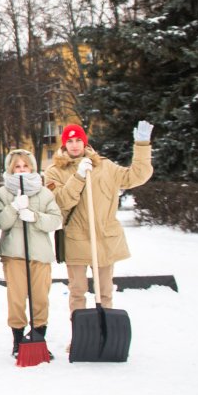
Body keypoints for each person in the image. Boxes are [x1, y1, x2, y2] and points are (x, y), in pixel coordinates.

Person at [43, 122, 154, 331]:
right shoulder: (54, 172)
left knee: (104, 292)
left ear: (85, 143)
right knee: (77, 292)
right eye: (70, 141)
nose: (75, 145)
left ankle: (105, 332)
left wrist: (142, 145)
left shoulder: (104, 166)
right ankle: (82, 334)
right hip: (75, 239)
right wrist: (78, 177)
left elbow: (136, 176)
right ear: (64, 144)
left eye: (78, 141)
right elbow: (61, 201)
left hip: (104, 238)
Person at [0, 149, 61, 357]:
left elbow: (56, 220)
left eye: (25, 166)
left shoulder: (44, 193)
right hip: (14, 254)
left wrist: (34, 217)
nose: (22, 170)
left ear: (32, 168)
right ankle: (17, 340)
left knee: (40, 298)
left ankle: (38, 336)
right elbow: (1, 223)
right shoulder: (3, 193)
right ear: (10, 169)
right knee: (16, 298)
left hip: (39, 254)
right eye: (17, 166)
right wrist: (14, 207)